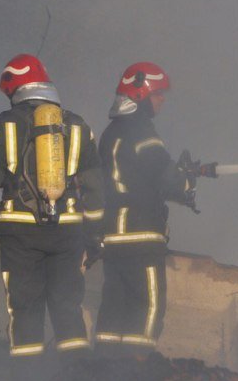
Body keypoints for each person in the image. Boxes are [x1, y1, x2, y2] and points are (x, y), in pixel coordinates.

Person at [0, 54, 104, 381]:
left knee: (24, 310)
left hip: (20, 235)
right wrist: (96, 234)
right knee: (68, 307)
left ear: (14, 89)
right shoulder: (79, 126)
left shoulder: (2, 125)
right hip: (69, 233)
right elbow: (95, 187)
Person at [93, 61, 217, 356]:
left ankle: (101, 374)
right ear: (140, 94)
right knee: (148, 306)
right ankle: (136, 371)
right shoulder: (143, 132)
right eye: (158, 94)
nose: (162, 100)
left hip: (113, 237)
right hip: (141, 235)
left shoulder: (112, 133)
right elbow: (167, 178)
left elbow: (139, 179)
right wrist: (186, 182)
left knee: (114, 306)